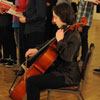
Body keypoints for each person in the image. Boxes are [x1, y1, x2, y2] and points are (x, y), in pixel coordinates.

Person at [24, 3, 81, 100]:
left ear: (63, 17)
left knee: (31, 82)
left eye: (55, 17)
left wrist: (60, 41)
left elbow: (67, 57)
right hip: (60, 70)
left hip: (67, 76)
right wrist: (37, 49)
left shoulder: (74, 35)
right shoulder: (65, 30)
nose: (53, 21)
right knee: (34, 75)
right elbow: (50, 42)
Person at [77, 0, 100, 65]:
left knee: (80, 41)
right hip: (85, 23)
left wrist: (81, 24)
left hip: (83, 24)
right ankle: (83, 59)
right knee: (84, 40)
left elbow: (85, 12)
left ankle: (82, 60)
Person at [0, 0, 17, 65]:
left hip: (8, 19)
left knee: (10, 38)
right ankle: (5, 57)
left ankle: (13, 58)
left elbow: (14, 5)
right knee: (2, 38)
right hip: (2, 20)